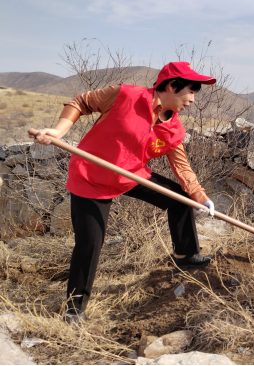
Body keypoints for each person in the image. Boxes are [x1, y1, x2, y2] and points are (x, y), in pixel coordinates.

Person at [30, 62, 217, 323]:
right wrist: (58, 131)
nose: (193, 100)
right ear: (172, 86)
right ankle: (75, 308)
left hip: (131, 175)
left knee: (179, 198)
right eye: (191, 91)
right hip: (91, 176)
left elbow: (181, 166)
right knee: (90, 243)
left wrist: (200, 197)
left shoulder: (173, 128)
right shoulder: (125, 95)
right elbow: (81, 102)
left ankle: (184, 256)